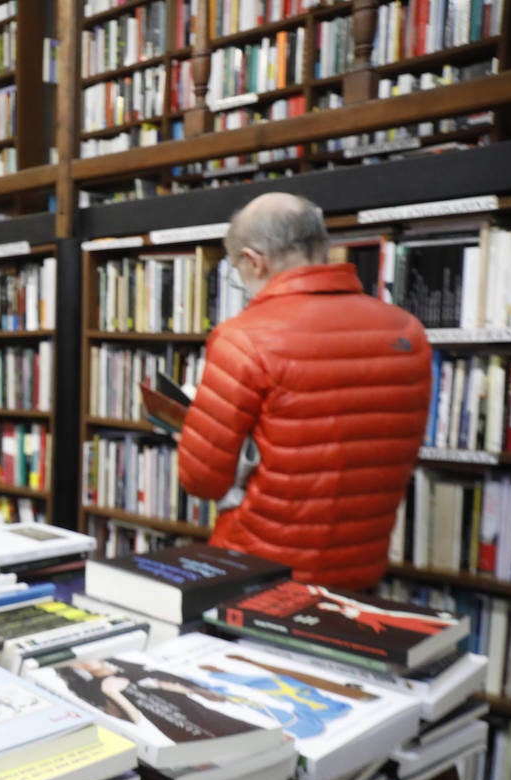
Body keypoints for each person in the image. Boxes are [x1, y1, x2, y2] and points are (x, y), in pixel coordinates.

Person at [177, 192, 432, 591]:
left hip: (261, 566)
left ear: (254, 261)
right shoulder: (407, 331)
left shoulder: (243, 338)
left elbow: (201, 481)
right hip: (360, 565)